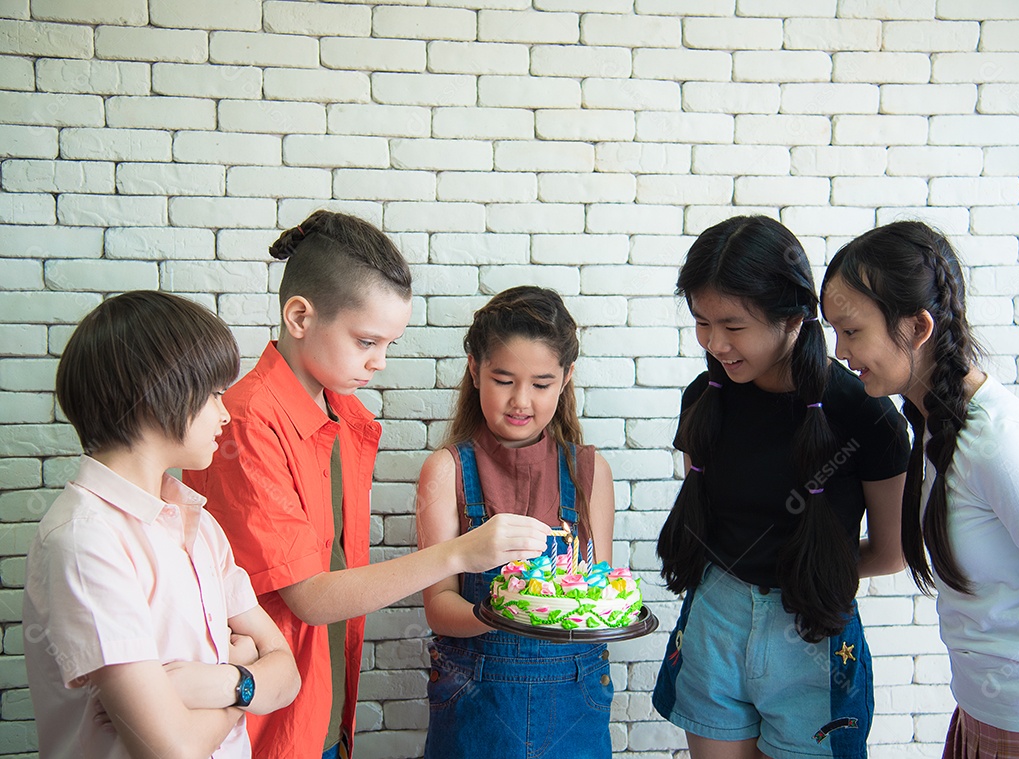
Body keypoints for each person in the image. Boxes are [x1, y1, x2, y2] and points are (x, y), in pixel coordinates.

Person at [185, 211, 549, 759]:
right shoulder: (245, 421)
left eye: (388, 345)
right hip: (265, 723)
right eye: (365, 342)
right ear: (300, 316)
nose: (379, 362)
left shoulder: (343, 416)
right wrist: (460, 553)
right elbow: (308, 596)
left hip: (326, 701)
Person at [652, 215, 912, 759]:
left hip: (811, 630)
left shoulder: (867, 413)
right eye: (702, 322)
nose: (715, 342)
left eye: (734, 324)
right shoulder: (704, 398)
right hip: (715, 619)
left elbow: (892, 553)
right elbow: (706, 521)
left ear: (794, 317)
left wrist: (810, 570)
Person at [821, 221, 1019, 755]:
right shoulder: (937, 426)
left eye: (852, 331)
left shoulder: (1004, 445)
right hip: (980, 715)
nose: (841, 352)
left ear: (917, 327)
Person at [23, 291, 300, 759]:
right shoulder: (85, 540)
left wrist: (215, 683)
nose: (225, 413)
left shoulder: (199, 526)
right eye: (214, 394)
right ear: (159, 394)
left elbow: (289, 676)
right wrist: (245, 684)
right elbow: (172, 750)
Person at [416, 285, 617, 758]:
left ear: (566, 378)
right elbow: (438, 606)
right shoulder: (446, 471)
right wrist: (508, 613)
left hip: (575, 696)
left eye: (541, 384)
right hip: (476, 698)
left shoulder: (590, 471)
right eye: (503, 379)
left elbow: (597, 590)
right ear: (474, 369)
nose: (520, 400)